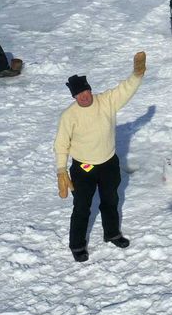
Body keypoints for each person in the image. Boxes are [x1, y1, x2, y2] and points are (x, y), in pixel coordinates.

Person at [54, 52, 147, 262]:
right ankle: (77, 245)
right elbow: (61, 144)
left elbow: (126, 89)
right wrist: (61, 169)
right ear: (74, 97)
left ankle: (112, 233)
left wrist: (137, 74)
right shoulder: (69, 116)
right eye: (79, 95)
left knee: (110, 200)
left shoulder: (106, 101)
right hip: (83, 168)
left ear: (90, 90)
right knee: (81, 207)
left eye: (85, 91)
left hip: (108, 164)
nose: (84, 96)